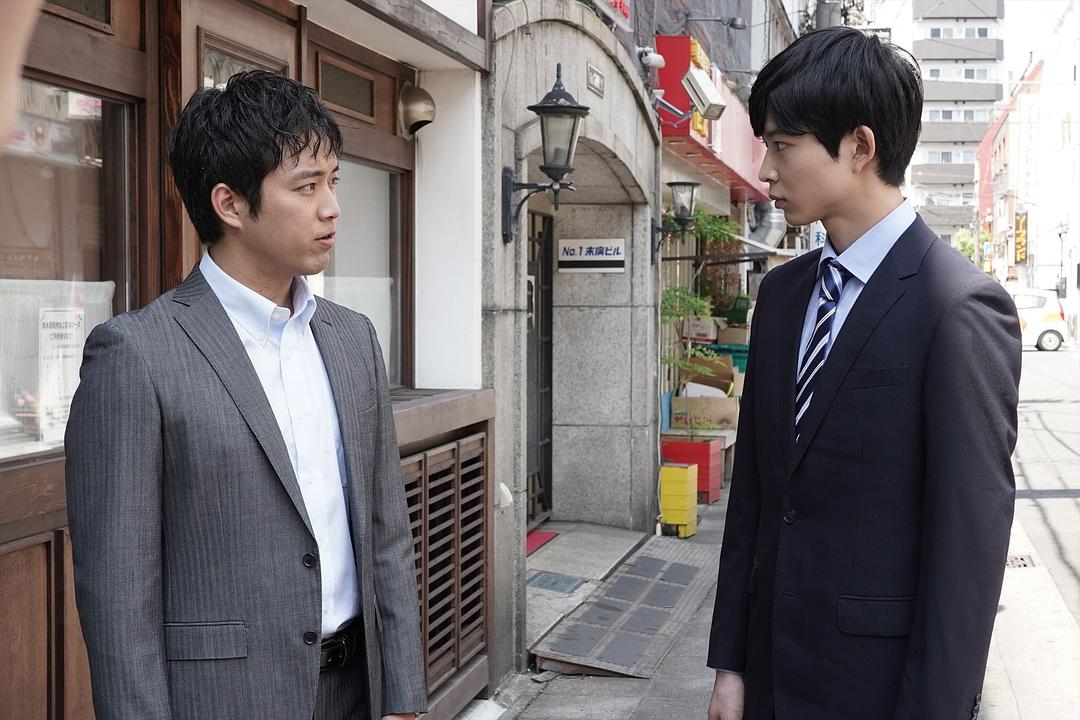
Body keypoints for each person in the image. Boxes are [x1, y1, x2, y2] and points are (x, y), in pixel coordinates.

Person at [65, 71, 425, 720]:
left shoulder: (352, 338)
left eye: (334, 182)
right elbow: (118, 595)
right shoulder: (137, 355)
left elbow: (387, 534)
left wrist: (403, 695)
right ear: (230, 205)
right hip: (224, 700)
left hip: (357, 690)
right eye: (306, 187)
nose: (331, 207)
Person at [706, 27, 1021, 720]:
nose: (765, 170)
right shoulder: (783, 296)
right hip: (770, 679)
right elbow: (753, 497)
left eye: (782, 145)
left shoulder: (957, 307)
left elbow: (966, 550)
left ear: (860, 146)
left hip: (874, 690)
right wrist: (731, 664)